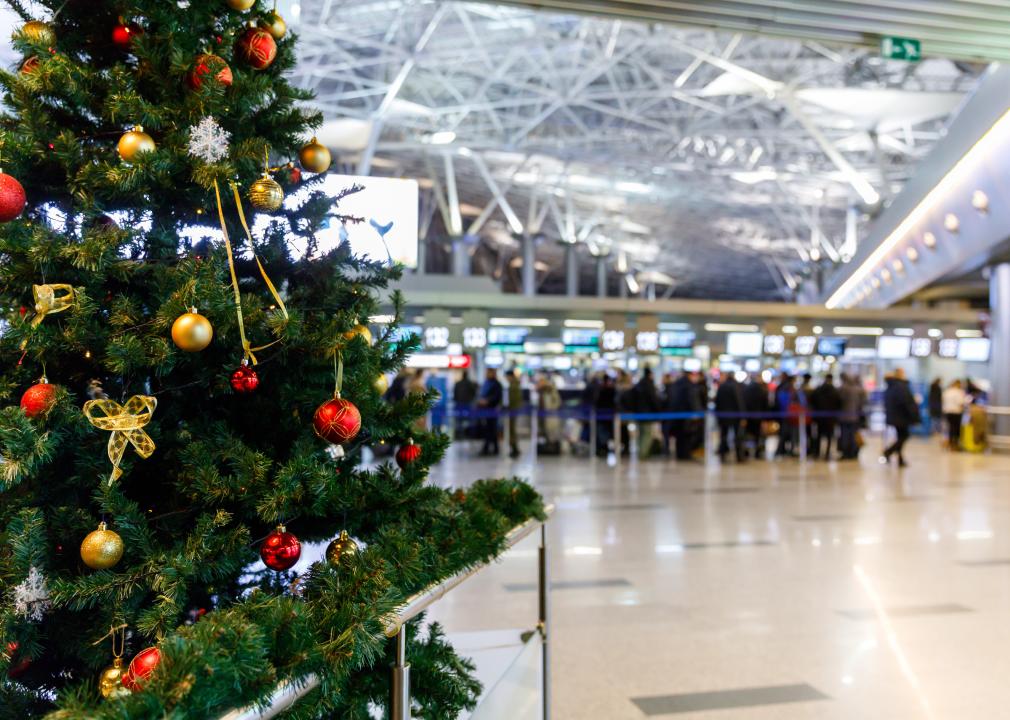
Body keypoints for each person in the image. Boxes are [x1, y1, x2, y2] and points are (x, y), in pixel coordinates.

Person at [882, 368, 919, 467]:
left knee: (901, 437)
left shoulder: (892, 386)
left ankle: (900, 458)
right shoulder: (901, 387)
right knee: (904, 436)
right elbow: (906, 403)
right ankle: (888, 452)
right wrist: (914, 415)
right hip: (901, 417)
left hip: (895, 416)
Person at [666, 371, 698, 460]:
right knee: (686, 436)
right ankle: (685, 454)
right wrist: (695, 412)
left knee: (679, 436)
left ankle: (679, 454)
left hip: (676, 415)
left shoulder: (676, 384)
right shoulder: (689, 386)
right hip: (687, 415)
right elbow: (692, 400)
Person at [809, 374, 842, 460]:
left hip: (819, 416)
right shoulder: (835, 391)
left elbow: (812, 400)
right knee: (829, 436)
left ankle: (817, 452)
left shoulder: (819, 389)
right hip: (830, 417)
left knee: (818, 435)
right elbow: (839, 404)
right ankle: (827, 453)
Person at [715, 372, 746, 462]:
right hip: (735, 416)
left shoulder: (722, 386)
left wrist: (718, 415)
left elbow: (717, 401)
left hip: (723, 416)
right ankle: (739, 456)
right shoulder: (736, 387)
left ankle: (723, 454)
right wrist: (743, 416)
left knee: (724, 436)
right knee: (738, 436)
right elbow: (739, 402)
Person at [633, 367, 661, 459]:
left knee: (641, 433)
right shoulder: (649, 384)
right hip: (647, 413)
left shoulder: (639, 384)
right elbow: (653, 399)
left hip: (638, 412)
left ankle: (640, 452)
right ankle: (643, 454)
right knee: (646, 433)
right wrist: (658, 409)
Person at [838, 373, 867, 460]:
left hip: (843, 417)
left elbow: (839, 402)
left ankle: (845, 453)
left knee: (845, 435)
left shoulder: (842, 389)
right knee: (854, 435)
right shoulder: (859, 390)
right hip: (855, 417)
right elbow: (863, 404)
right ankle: (854, 452)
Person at [477, 368, 503, 456]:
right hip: (485, 410)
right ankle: (494, 448)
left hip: (492, 410)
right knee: (490, 429)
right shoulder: (486, 383)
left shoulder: (497, 384)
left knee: (491, 429)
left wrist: (487, 401)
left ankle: (487, 448)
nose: (487, 374)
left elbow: (497, 397)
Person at [743, 373, 769, 459]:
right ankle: (758, 452)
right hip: (759, 416)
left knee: (748, 435)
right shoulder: (763, 390)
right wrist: (765, 419)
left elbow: (744, 404)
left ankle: (746, 452)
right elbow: (765, 405)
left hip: (748, 416)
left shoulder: (746, 389)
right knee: (759, 435)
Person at [538, 373, 562, 453]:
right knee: (544, 431)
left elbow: (557, 402)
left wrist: (552, 409)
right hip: (542, 414)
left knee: (552, 431)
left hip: (551, 415)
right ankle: (546, 447)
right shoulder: (541, 392)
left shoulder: (551, 390)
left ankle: (553, 448)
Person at [594, 373, 617, 456]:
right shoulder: (611, 390)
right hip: (607, 416)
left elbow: (596, 402)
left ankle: (603, 449)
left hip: (603, 416)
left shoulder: (600, 390)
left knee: (603, 433)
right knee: (605, 433)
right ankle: (604, 448)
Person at [775, 375, 798, 458]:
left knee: (784, 433)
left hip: (783, 414)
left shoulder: (781, 387)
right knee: (788, 433)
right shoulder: (789, 389)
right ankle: (783, 450)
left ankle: (782, 450)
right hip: (788, 414)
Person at [942, 379, 967, 451]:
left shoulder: (947, 391)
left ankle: (949, 443)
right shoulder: (959, 392)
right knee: (956, 429)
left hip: (947, 412)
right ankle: (955, 444)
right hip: (956, 412)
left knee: (950, 428)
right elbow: (961, 403)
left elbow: (943, 401)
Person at [452, 370, 478, 439]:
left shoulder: (458, 384)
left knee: (459, 420)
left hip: (459, 404)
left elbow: (455, 394)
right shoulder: (470, 384)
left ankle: (459, 435)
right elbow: (474, 393)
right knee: (470, 420)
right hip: (468, 403)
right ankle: (470, 434)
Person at [507, 369, 523, 458]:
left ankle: (514, 448)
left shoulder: (514, 385)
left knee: (512, 430)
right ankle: (514, 447)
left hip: (513, 410)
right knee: (512, 430)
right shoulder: (515, 384)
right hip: (514, 410)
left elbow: (512, 399)